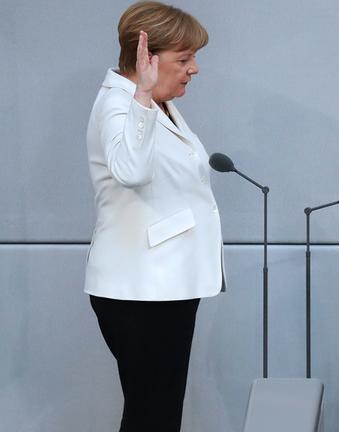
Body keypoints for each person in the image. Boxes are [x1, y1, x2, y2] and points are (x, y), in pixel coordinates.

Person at [84, 2, 223, 430]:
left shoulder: (158, 106)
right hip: (142, 290)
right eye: (184, 58)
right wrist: (142, 95)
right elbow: (131, 172)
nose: (194, 69)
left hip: (166, 284)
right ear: (146, 57)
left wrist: (148, 99)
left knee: (157, 414)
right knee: (153, 416)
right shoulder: (120, 104)